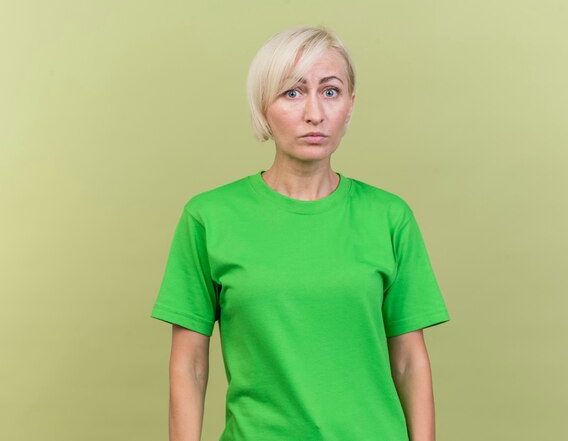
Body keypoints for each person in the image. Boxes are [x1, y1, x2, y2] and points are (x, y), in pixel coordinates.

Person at [150, 24, 451, 441]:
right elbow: (190, 365)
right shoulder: (209, 217)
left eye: (330, 91)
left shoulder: (389, 217)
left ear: (350, 104)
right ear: (262, 105)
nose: (315, 113)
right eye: (292, 92)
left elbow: (409, 362)